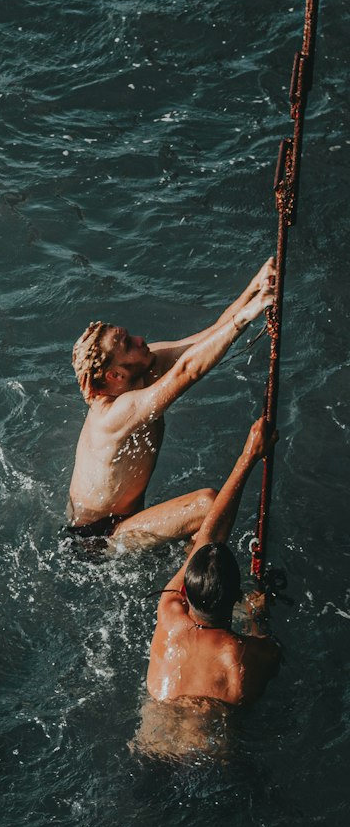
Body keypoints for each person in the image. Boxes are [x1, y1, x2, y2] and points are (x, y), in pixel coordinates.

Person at [66, 258, 275, 548]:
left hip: (128, 517)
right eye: (128, 344)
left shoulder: (145, 366)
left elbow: (207, 338)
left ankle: (195, 556)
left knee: (204, 513)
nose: (140, 339)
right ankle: (195, 581)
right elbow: (188, 371)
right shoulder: (114, 414)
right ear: (114, 375)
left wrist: (255, 288)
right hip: (97, 537)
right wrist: (244, 318)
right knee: (208, 504)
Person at [145, 416, 280, 708]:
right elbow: (272, 655)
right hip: (213, 753)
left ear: (184, 593)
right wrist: (257, 617)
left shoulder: (168, 615)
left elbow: (207, 536)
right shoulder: (244, 657)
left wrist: (249, 455)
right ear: (235, 598)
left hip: (149, 747)